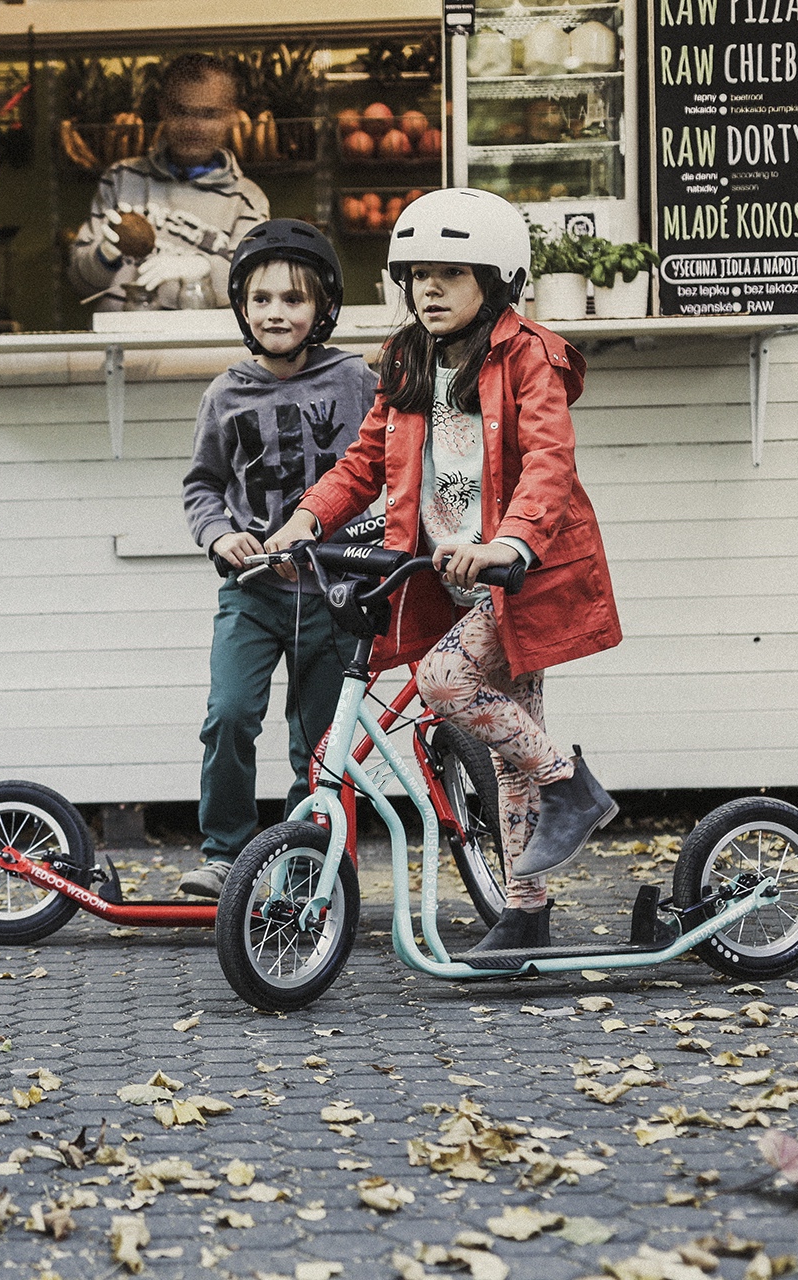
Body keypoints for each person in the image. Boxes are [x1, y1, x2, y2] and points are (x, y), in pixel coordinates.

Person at [263, 188, 623, 951]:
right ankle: (527, 913)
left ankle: (572, 786)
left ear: (494, 281)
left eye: (450, 273)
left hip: (521, 572)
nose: (429, 288)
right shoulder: (408, 357)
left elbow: (550, 466)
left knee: (442, 682)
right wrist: (306, 517)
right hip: (451, 576)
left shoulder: (531, 356)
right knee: (504, 752)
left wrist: (510, 544)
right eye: (418, 273)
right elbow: (363, 461)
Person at [177, 219, 377, 899]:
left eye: (293, 299)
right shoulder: (224, 392)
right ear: (242, 307)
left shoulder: (354, 379)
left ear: (322, 307)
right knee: (229, 714)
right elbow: (203, 484)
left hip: (335, 594)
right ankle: (226, 852)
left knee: (320, 743)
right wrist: (218, 537)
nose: (276, 313)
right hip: (253, 591)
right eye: (261, 299)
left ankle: (308, 862)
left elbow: (383, 468)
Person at [68, 53, 269, 313]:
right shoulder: (121, 179)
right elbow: (80, 283)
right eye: (181, 111)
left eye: (208, 114)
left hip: (200, 348)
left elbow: (254, 288)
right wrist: (104, 255)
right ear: (163, 108)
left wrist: (204, 268)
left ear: (231, 116)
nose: (193, 126)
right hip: (123, 343)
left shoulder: (247, 199)